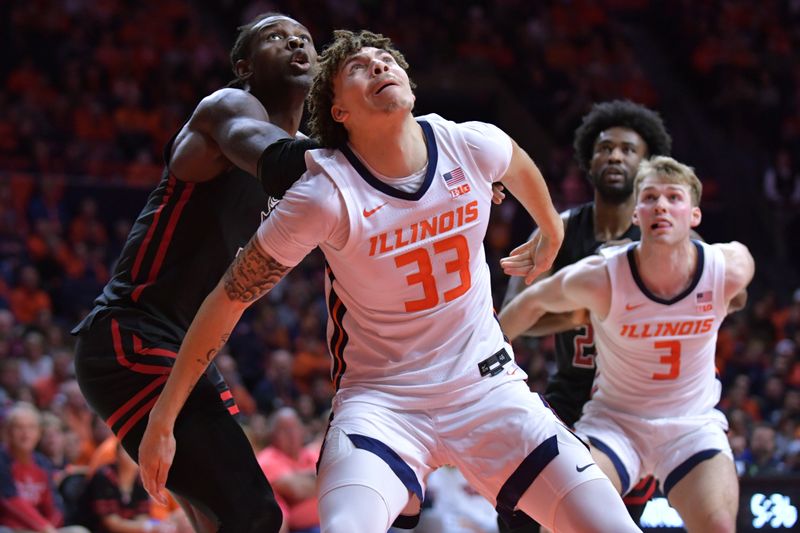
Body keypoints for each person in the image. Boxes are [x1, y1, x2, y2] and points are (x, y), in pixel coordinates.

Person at [138, 29, 640, 533]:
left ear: (409, 84)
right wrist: (164, 417)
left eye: (385, 60)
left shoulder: (468, 143)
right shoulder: (324, 194)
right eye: (358, 68)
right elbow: (228, 299)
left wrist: (549, 228)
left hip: (488, 386)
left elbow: (514, 158)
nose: (378, 67)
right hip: (381, 403)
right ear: (338, 112)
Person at [70, 13, 319, 533]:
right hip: (133, 333)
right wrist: (396, 160)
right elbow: (275, 157)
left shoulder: (310, 160)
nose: (295, 40)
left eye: (305, 38)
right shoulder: (231, 108)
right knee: (252, 514)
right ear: (244, 66)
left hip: (186, 347)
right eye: (276, 36)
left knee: (218, 521)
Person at [500, 156, 755, 532]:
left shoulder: (726, 267)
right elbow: (530, 302)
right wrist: (487, 356)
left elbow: (741, 289)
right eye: (650, 197)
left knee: (718, 525)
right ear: (637, 214)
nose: (662, 205)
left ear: (695, 215)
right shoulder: (604, 275)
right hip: (616, 426)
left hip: (691, 425)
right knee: (558, 522)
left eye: (673, 197)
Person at [500, 100, 672, 532]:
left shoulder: (663, 241)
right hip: (567, 398)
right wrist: (587, 312)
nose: (615, 156)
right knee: (517, 513)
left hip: (629, 407)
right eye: (605, 148)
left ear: (647, 164)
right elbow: (508, 320)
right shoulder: (555, 230)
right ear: (588, 160)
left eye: (628, 150)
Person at [0, 402, 89, 533]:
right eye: (19, 427)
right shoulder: (2, 460)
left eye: (31, 427)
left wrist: (49, 527)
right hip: (11, 527)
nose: (26, 434)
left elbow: (54, 506)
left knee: (78, 531)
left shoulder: (43, 463)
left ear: (39, 433)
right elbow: (9, 501)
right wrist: (44, 528)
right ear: (7, 432)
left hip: (40, 529)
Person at [256, 408, 320, 533]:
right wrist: (319, 477)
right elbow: (297, 490)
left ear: (302, 430)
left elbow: (337, 481)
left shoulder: (312, 453)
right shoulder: (267, 459)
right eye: (284, 429)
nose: (291, 434)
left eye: (295, 427)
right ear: (272, 435)